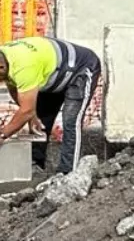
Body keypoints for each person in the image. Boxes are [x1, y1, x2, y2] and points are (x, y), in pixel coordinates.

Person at [0, 35, 102, 174]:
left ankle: (68, 172)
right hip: (52, 72)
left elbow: (26, 111)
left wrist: (3, 134)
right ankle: (35, 165)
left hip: (81, 68)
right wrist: (32, 114)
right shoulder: (5, 58)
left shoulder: (24, 67)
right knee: (40, 121)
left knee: (71, 121)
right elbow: (14, 87)